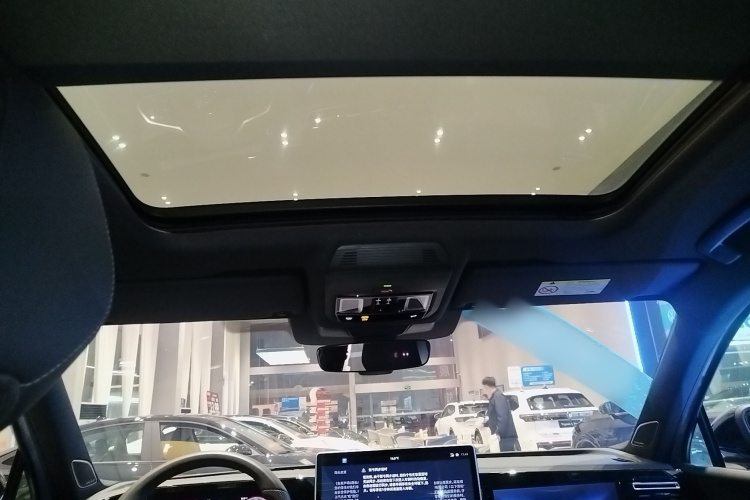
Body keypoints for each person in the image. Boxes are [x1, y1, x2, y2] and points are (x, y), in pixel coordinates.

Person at [482, 376, 520, 451]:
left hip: (505, 437)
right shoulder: (494, 397)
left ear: (486, 386)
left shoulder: (498, 397)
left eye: (483, 387)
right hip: (502, 437)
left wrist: (498, 432)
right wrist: (485, 423)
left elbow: (502, 416)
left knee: (505, 457)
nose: (483, 390)